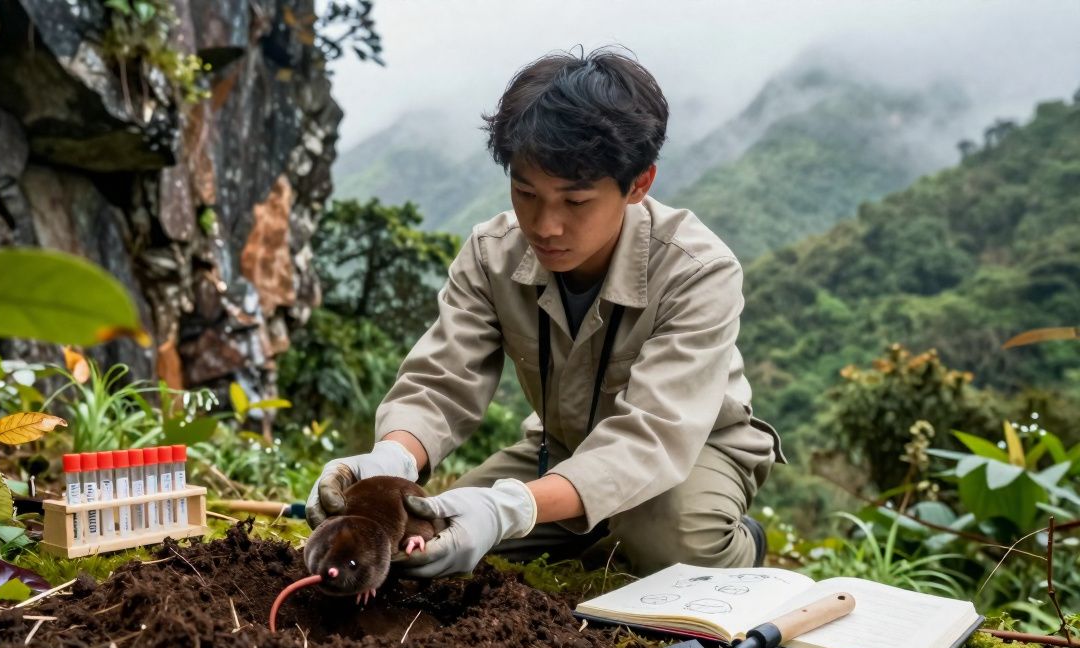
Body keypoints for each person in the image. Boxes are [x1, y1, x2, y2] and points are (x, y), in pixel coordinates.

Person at [306, 47, 784, 579]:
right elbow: (442, 383)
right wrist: (389, 461)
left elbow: (652, 438)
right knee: (430, 536)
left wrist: (512, 508)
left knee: (668, 541)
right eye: (525, 193)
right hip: (561, 446)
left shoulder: (699, 271)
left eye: (575, 202)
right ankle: (591, 530)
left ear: (639, 184)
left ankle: (740, 545)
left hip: (691, 450)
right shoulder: (493, 253)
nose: (545, 225)